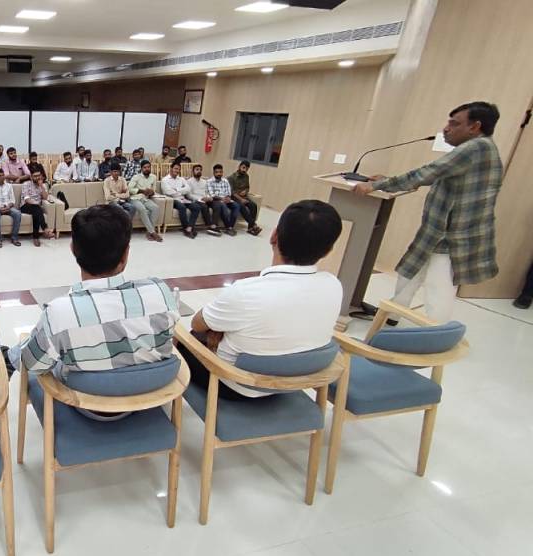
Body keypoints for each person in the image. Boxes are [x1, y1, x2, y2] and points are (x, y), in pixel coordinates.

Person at [10, 204, 179, 419]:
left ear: (73, 249)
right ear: (126, 254)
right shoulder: (160, 292)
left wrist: (20, 352)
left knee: (29, 352)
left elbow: (32, 365)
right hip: (148, 399)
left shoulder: (60, 313)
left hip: (87, 408)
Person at [352, 101, 502, 323]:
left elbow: (428, 173)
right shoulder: (478, 148)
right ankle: (392, 315)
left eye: (454, 123)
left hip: (452, 236)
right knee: (408, 275)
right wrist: (388, 181)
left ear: (475, 126)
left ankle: (435, 333)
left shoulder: (476, 148)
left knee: (438, 289)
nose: (446, 128)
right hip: (435, 231)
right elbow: (435, 176)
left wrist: (375, 185)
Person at [181, 200, 343, 399]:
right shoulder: (333, 285)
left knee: (187, 338)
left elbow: (197, 324)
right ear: (328, 250)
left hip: (237, 385)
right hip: (296, 382)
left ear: (274, 236)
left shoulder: (246, 291)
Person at [161, 161, 201, 238]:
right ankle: (186, 228)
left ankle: (189, 228)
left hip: (183, 199)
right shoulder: (165, 180)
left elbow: (188, 189)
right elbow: (168, 192)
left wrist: (176, 189)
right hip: (172, 200)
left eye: (179, 169)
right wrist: (181, 190)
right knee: (182, 207)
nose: (177, 171)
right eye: (176, 168)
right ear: (171, 168)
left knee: (196, 207)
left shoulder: (181, 179)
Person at [128, 160, 163, 242]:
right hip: (134, 198)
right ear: (141, 168)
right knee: (142, 209)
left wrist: (151, 192)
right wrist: (142, 191)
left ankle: (149, 232)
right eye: (145, 167)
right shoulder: (136, 177)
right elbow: (129, 189)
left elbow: (154, 190)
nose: (147, 169)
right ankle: (153, 232)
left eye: (148, 167)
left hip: (145, 198)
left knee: (155, 208)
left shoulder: (153, 177)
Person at [0, 168, 21, 248]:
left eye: (3, 175)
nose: (2, 177)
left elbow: (13, 200)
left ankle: (14, 238)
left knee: (17, 213)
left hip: (7, 207)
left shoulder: (9, 186)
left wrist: (8, 206)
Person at [19, 170, 55, 246]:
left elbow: (45, 197)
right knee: (37, 209)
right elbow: (27, 199)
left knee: (36, 212)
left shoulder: (42, 185)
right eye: (35, 176)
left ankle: (36, 237)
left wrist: (41, 186)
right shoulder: (26, 184)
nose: (38, 177)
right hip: (25, 206)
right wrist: (36, 204)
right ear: (31, 177)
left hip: (36, 208)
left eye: (39, 175)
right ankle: (44, 229)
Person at [229, 160, 262, 236]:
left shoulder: (246, 176)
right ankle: (253, 225)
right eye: (243, 168)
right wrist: (241, 199)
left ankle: (250, 228)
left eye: (247, 169)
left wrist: (246, 191)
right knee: (241, 206)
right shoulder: (232, 177)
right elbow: (232, 192)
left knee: (253, 205)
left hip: (244, 197)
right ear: (239, 167)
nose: (245, 170)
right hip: (234, 197)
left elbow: (247, 187)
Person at [189, 163, 222, 236]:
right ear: (193, 171)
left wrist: (209, 197)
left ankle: (214, 225)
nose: (199, 171)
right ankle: (209, 225)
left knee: (217, 205)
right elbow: (189, 195)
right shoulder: (189, 181)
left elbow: (207, 191)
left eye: (200, 170)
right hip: (197, 200)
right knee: (204, 206)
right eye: (197, 170)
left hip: (206, 199)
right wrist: (200, 199)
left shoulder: (204, 181)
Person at [206, 163, 238, 235]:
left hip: (226, 199)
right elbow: (212, 195)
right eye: (217, 172)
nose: (219, 174)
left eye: (220, 172)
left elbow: (229, 192)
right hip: (216, 200)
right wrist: (222, 199)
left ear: (222, 172)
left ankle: (231, 226)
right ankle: (228, 227)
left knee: (236, 206)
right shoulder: (209, 181)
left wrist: (228, 197)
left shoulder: (225, 181)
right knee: (223, 205)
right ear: (214, 173)